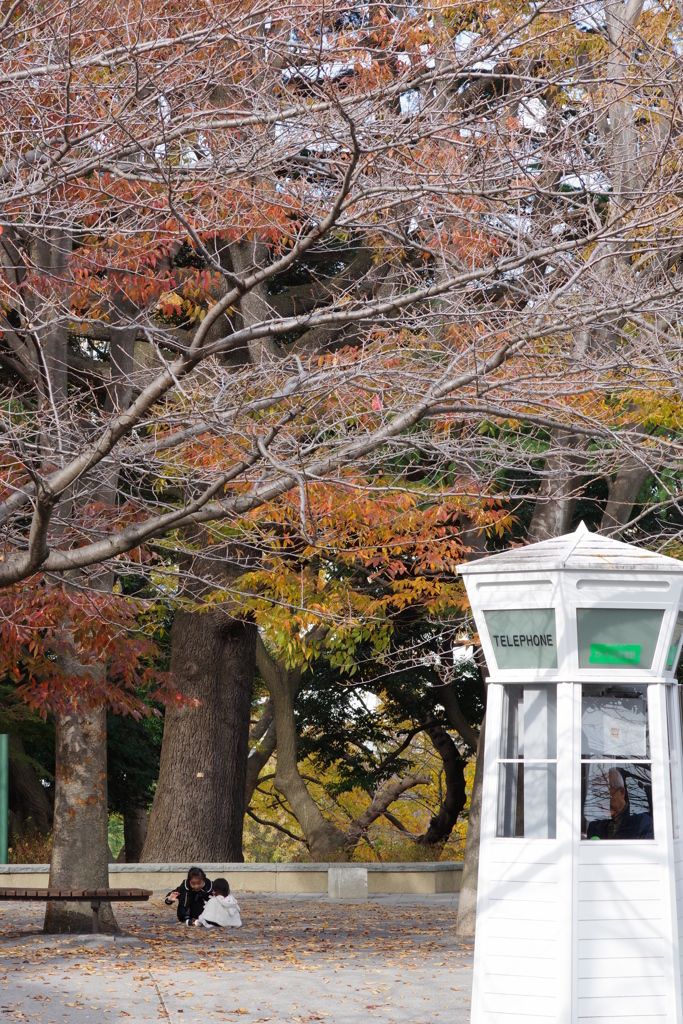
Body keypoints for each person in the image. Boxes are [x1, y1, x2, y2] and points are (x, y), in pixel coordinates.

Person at [586, 767, 654, 840]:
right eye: (599, 798)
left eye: (607, 797)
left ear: (622, 792)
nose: (602, 804)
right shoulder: (594, 827)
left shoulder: (643, 825)